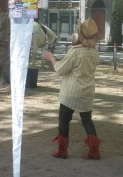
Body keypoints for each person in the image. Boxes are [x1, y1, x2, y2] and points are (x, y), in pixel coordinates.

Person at [42, 18, 101, 160]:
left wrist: (51, 58)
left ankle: (62, 151)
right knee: (87, 121)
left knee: (64, 120)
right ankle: (94, 151)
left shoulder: (75, 52)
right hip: (87, 92)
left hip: (71, 93)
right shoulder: (94, 53)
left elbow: (60, 70)